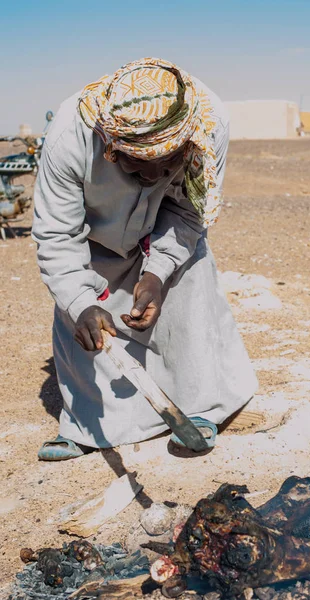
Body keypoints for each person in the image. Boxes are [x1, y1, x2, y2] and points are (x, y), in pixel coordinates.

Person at [32, 57, 258, 460]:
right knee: (88, 327)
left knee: (186, 293)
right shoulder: (71, 136)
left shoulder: (208, 123)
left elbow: (190, 211)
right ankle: (90, 426)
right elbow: (58, 235)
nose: (153, 177)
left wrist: (156, 273)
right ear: (112, 149)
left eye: (165, 163)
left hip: (167, 224)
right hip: (95, 236)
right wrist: (81, 303)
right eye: (137, 164)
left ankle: (199, 409)